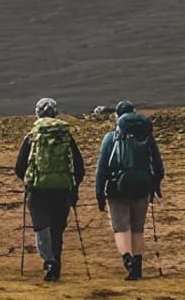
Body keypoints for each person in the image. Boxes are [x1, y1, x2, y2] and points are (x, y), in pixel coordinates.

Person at [12, 98, 85, 281]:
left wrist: (30, 180)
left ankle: (49, 262)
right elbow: (79, 166)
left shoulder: (32, 136)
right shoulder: (66, 135)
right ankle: (56, 261)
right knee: (57, 228)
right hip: (62, 189)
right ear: (55, 113)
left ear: (37, 114)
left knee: (41, 226)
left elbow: (19, 167)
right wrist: (72, 185)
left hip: (38, 190)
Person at [94, 100, 165, 280]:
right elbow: (158, 165)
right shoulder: (147, 137)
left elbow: (101, 169)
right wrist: (155, 186)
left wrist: (99, 194)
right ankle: (138, 265)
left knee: (121, 228)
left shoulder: (111, 138)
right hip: (142, 187)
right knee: (137, 229)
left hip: (117, 189)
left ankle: (128, 261)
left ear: (117, 117)